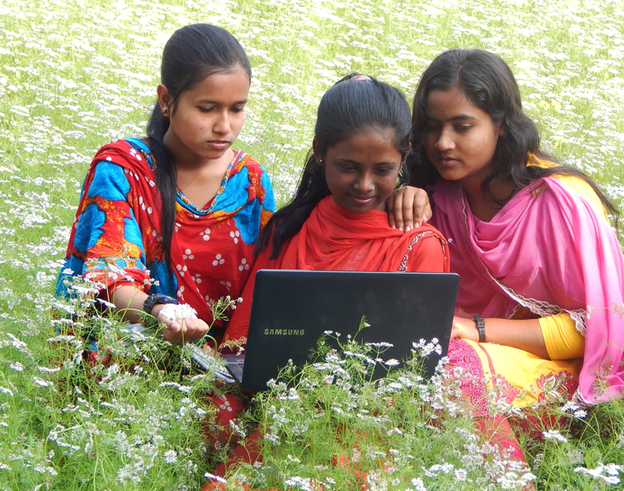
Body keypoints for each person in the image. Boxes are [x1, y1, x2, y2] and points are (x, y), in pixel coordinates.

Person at [396, 48, 624, 460]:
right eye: (432, 128)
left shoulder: (560, 204)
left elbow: (596, 328)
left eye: (462, 126)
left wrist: (477, 330)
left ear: (501, 125)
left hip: (567, 373)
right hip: (467, 352)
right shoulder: (434, 197)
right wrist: (404, 194)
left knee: (452, 366)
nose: (442, 143)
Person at [204, 74, 450, 487]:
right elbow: (242, 341)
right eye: (349, 167)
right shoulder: (292, 227)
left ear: (404, 160)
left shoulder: (419, 245)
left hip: (364, 417)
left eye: (384, 170)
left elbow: (417, 373)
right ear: (320, 152)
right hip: (275, 397)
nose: (365, 184)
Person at [55, 23, 275, 347]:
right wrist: (161, 312)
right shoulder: (123, 170)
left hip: (224, 368)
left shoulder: (251, 184)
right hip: (134, 361)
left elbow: (264, 289)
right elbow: (110, 277)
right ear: (166, 100)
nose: (224, 126)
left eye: (237, 108)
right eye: (207, 108)